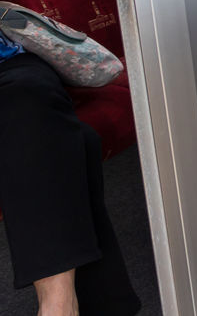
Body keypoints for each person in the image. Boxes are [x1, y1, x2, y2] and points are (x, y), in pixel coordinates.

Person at [0, 48, 140, 316]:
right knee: (76, 141)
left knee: (30, 98)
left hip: (8, 62)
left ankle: (58, 306)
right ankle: (79, 307)